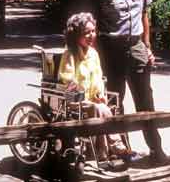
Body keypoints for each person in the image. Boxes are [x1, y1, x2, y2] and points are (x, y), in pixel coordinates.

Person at [88, 0, 166, 163]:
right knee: (115, 102)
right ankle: (122, 151)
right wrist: (91, 55)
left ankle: (156, 149)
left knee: (145, 101)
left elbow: (144, 15)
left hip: (137, 46)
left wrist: (148, 47)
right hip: (111, 49)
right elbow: (92, 22)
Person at [58, 12, 137, 165]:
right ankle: (115, 148)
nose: (91, 35)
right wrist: (81, 93)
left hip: (93, 101)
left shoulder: (93, 54)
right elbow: (67, 79)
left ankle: (106, 154)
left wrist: (100, 93)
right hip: (75, 101)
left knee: (108, 108)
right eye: (86, 32)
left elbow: (99, 78)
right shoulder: (70, 54)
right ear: (75, 35)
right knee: (101, 110)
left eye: (93, 31)